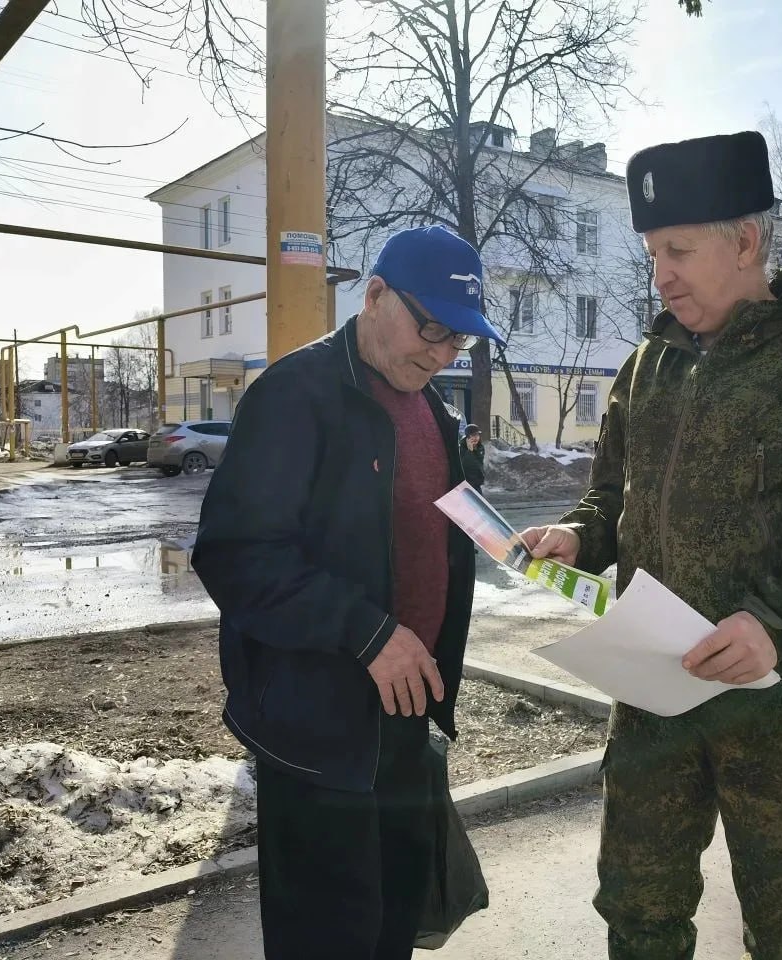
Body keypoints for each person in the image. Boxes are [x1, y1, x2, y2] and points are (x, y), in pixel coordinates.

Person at [520, 131, 782, 960]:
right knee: (637, 915)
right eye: (652, 254)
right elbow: (614, 493)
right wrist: (578, 535)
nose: (661, 275)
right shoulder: (649, 365)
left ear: (745, 242)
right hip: (652, 705)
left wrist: (776, 622)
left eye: (678, 250)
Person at [191, 225, 505, 960]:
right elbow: (236, 555)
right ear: (375, 296)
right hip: (318, 732)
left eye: (460, 339)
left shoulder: (431, 409)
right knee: (328, 937)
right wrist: (367, 633)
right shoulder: (293, 395)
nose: (443, 354)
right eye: (432, 328)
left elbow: (440, 515)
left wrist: (516, 546)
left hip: (406, 719)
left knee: (391, 926)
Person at [460, 423, 486, 491]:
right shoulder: (461, 448)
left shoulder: (480, 447)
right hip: (466, 484)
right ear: (467, 437)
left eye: (477, 435)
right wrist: (470, 451)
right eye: (473, 435)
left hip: (477, 482)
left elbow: (479, 463)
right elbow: (466, 465)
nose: (476, 438)